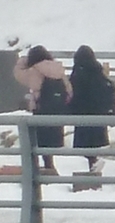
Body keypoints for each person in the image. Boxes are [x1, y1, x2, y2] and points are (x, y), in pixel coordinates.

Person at [12, 45, 71, 174]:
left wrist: (23, 61)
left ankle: (38, 169)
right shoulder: (58, 69)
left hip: (41, 109)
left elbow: (19, 75)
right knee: (49, 141)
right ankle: (49, 166)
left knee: (36, 140)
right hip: (56, 111)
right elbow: (69, 90)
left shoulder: (35, 70)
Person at [68, 45, 115, 173]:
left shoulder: (77, 74)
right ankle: (94, 165)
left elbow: (72, 93)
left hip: (82, 115)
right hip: (98, 114)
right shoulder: (98, 72)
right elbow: (108, 89)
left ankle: (92, 167)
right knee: (94, 146)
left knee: (84, 147)